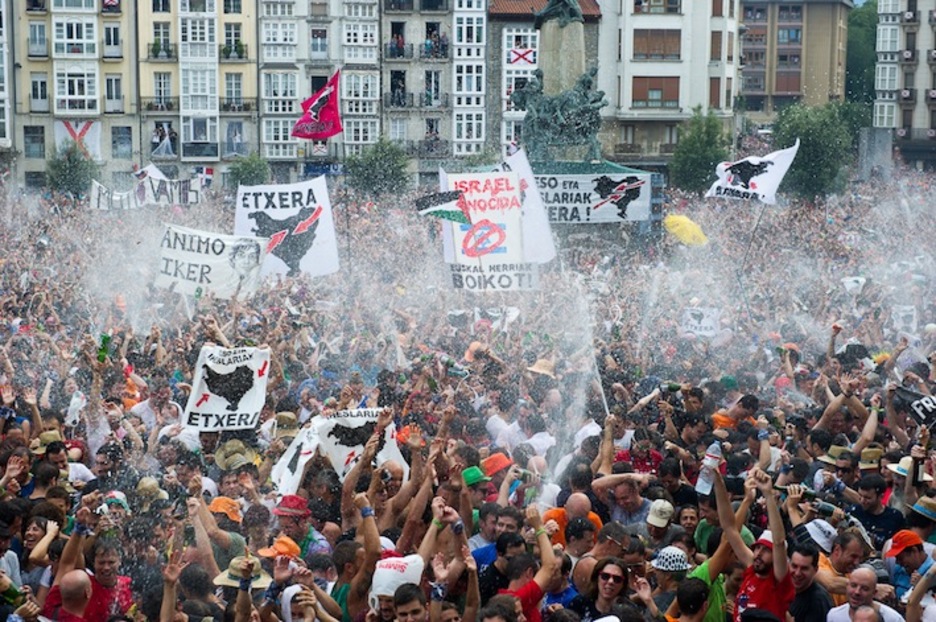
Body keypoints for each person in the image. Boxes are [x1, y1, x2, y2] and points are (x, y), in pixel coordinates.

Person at [715, 468, 794, 622]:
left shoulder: (778, 579)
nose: (758, 553)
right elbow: (729, 527)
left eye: (766, 550)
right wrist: (718, 482)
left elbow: (778, 542)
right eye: (757, 547)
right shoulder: (752, 570)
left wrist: (768, 494)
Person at [825, 566, 903, 622]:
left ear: (874, 593)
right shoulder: (834, 616)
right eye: (853, 586)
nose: (857, 592)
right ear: (847, 587)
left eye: (864, 588)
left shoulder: (892, 619)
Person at [787, 542, 834, 622]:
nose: (797, 573)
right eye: (794, 566)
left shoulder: (818, 602)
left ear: (815, 570)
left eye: (804, 568)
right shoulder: (782, 587)